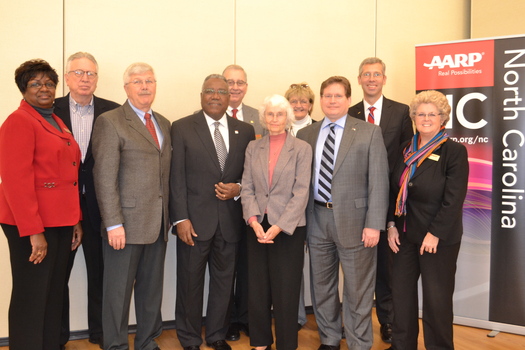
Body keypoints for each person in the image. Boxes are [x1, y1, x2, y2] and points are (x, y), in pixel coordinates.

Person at [296, 76, 389, 350]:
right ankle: (329, 339)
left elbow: (379, 181)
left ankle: (360, 343)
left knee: (358, 290)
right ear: (320, 100)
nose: (332, 101)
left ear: (349, 100)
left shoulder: (369, 132)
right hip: (316, 219)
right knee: (322, 288)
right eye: (327, 96)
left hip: (357, 223)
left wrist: (374, 225)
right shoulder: (306, 135)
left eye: (338, 96)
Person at [0, 59, 82, 350]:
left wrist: (75, 220)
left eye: (49, 83)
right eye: (35, 83)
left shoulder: (54, 120)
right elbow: (15, 182)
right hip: (31, 224)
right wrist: (33, 231)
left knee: (53, 293)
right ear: (23, 90)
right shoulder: (18, 121)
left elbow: (66, 175)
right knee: (31, 295)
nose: (44, 88)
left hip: (60, 221)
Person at [171, 74, 255, 350]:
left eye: (222, 91)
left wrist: (239, 188)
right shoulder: (182, 127)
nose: (216, 95)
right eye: (210, 91)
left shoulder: (244, 130)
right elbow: (176, 178)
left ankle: (217, 334)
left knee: (223, 283)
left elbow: (250, 176)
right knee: (189, 284)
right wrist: (180, 218)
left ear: (230, 97)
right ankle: (190, 338)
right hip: (193, 222)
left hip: (230, 222)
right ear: (201, 95)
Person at [92, 62, 171, 350]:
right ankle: (114, 345)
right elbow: (104, 177)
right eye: (137, 81)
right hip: (124, 225)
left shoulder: (163, 122)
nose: (145, 86)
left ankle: (147, 341)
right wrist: (113, 223)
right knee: (117, 293)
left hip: (158, 223)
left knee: (151, 292)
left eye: (149, 80)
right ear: (126, 87)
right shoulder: (110, 121)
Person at [386, 90, 469, 350]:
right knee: (401, 298)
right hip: (403, 236)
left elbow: (453, 199)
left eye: (432, 114)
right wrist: (390, 225)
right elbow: (393, 190)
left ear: (442, 117)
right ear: (413, 117)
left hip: (437, 240)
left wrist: (435, 233)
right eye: (420, 113)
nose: (425, 118)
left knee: (437, 302)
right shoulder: (403, 149)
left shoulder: (453, 151)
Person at [55, 51, 120, 349]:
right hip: (58, 208)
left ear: (97, 78)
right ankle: (56, 336)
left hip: (99, 206)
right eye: (79, 73)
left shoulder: (113, 111)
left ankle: (101, 332)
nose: (85, 79)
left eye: (90, 74)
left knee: (101, 275)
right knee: (57, 277)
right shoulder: (48, 109)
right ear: (67, 78)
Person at [348, 57, 414, 344]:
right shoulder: (348, 113)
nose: (371, 79)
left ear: (384, 79)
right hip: (353, 200)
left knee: (387, 265)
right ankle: (354, 322)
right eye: (366, 74)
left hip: (389, 198)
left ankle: (387, 321)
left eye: (377, 74)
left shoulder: (400, 112)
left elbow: (407, 155)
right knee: (356, 263)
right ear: (359, 79)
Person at [241, 94, 312, 350]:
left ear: (288, 117)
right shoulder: (253, 147)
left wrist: (279, 226)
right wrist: (253, 220)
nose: (274, 119)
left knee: (286, 291)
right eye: (270, 114)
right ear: (264, 117)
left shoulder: (302, 149)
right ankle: (260, 343)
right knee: (257, 289)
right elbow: (246, 186)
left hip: (288, 229)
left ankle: (286, 344)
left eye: (279, 114)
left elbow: (302, 192)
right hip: (258, 227)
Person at [222, 64, 263, 342]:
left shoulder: (259, 119)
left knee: (250, 267)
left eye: (240, 82)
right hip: (219, 206)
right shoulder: (209, 113)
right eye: (229, 82)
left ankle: (246, 317)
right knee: (226, 269)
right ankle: (228, 321)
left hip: (251, 206)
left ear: (246, 86)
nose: (235, 87)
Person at [284, 82, 316, 329]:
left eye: (303, 101)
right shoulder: (275, 130)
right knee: (290, 267)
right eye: (293, 101)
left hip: (313, 208)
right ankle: (294, 317)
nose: (298, 105)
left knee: (319, 268)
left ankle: (326, 319)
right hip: (282, 211)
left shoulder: (320, 130)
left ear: (311, 105)